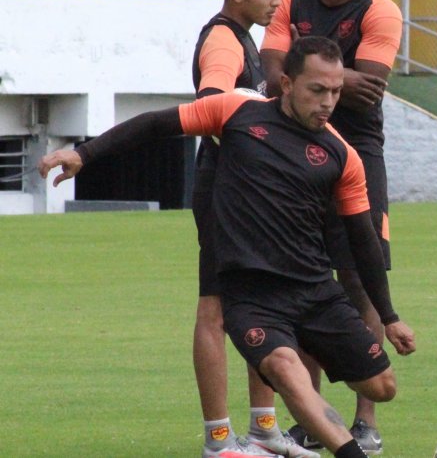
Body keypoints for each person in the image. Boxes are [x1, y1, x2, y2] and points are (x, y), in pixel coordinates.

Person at [38, 36, 416, 458]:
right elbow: (153, 125)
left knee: (382, 387)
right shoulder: (235, 112)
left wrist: (389, 316)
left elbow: (362, 239)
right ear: (287, 84)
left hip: (315, 291)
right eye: (317, 90)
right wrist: (84, 155)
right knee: (285, 371)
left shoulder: (342, 155)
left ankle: (314, 351)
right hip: (251, 296)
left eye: (335, 92)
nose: (328, 102)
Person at [260, 0, 403, 454]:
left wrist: (305, 77)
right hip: (294, 160)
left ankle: (365, 420)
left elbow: (371, 90)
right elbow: (270, 78)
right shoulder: (291, 3)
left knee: (360, 281)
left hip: (356, 158)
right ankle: (314, 415)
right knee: (305, 282)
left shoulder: (380, 10)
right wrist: (342, 76)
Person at [191, 0, 317, 458]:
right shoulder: (223, 40)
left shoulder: (243, 36)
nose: (276, 2)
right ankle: (219, 440)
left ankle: (263, 430)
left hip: (248, 194)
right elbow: (210, 103)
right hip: (226, 192)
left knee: (260, 307)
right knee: (215, 311)